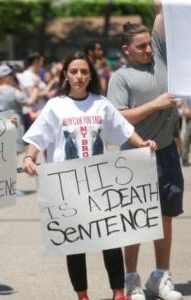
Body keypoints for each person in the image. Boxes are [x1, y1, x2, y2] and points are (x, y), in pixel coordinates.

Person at [22, 51, 157, 300]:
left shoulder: (101, 103)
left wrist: (142, 144)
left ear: (90, 75)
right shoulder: (55, 106)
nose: (79, 76)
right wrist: (29, 157)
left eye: (84, 71)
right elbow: (37, 137)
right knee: (75, 244)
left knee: (111, 238)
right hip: (67, 187)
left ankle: (118, 293)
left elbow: (124, 130)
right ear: (65, 75)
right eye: (73, 71)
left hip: (101, 184)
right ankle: (82, 295)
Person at [107, 1, 184, 298]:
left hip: (166, 150)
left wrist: (160, 6)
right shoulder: (120, 77)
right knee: (136, 220)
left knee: (166, 215)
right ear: (126, 49)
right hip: (135, 157)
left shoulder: (160, 57)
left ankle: (161, 276)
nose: (148, 50)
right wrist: (155, 106)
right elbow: (117, 117)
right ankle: (131, 279)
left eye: (149, 45)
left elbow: (161, 13)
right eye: (141, 47)